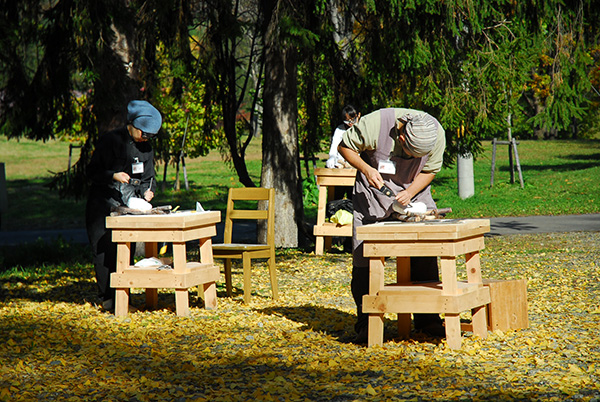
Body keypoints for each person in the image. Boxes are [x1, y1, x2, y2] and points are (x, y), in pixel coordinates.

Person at [337, 107, 446, 343]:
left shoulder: (436, 133)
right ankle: (368, 323)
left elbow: (429, 170)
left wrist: (410, 192)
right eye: (410, 152)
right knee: (364, 256)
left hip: (413, 195)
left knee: (424, 253)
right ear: (402, 136)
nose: (413, 159)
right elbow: (344, 146)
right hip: (372, 193)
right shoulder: (375, 123)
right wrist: (366, 169)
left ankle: (428, 322)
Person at [85, 100, 162, 311]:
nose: (145, 139)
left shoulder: (146, 147)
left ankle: (123, 298)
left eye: (150, 136)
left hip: (129, 207)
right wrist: (113, 175)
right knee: (104, 252)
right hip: (102, 204)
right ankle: (108, 299)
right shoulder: (110, 141)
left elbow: (149, 177)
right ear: (133, 124)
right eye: (143, 134)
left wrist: (149, 190)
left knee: (123, 251)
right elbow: (91, 172)